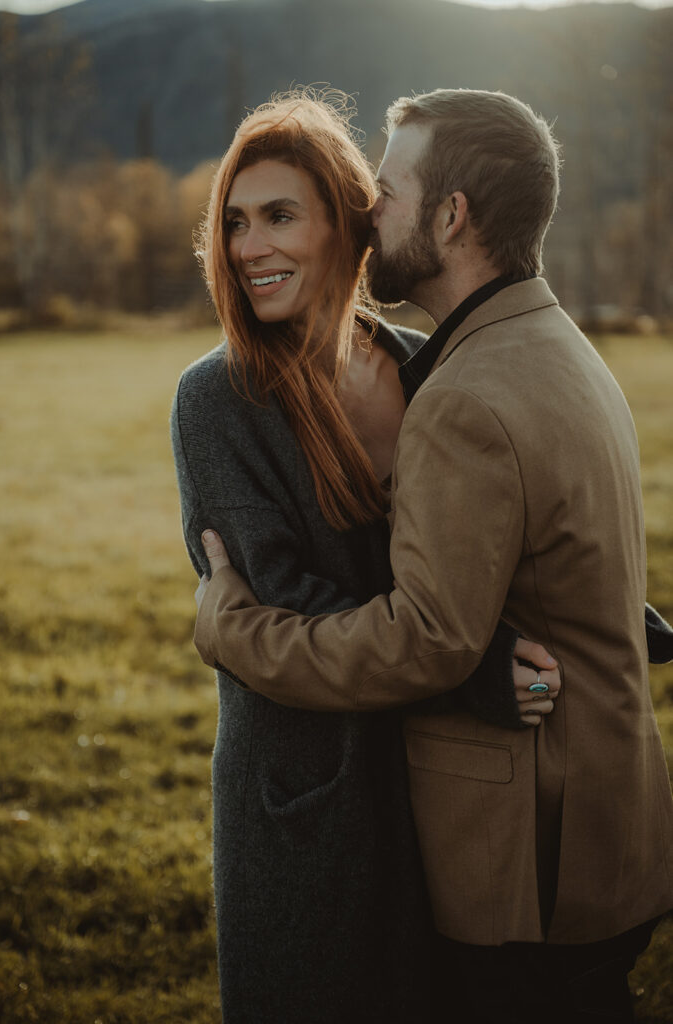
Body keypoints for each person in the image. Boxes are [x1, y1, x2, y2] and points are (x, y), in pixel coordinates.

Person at [193, 88, 673, 1024]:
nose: (373, 212)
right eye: (237, 222)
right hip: (597, 831)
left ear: (451, 216)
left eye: (388, 190)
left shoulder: (455, 388)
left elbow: (428, 638)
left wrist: (231, 628)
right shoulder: (553, 345)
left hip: (531, 848)